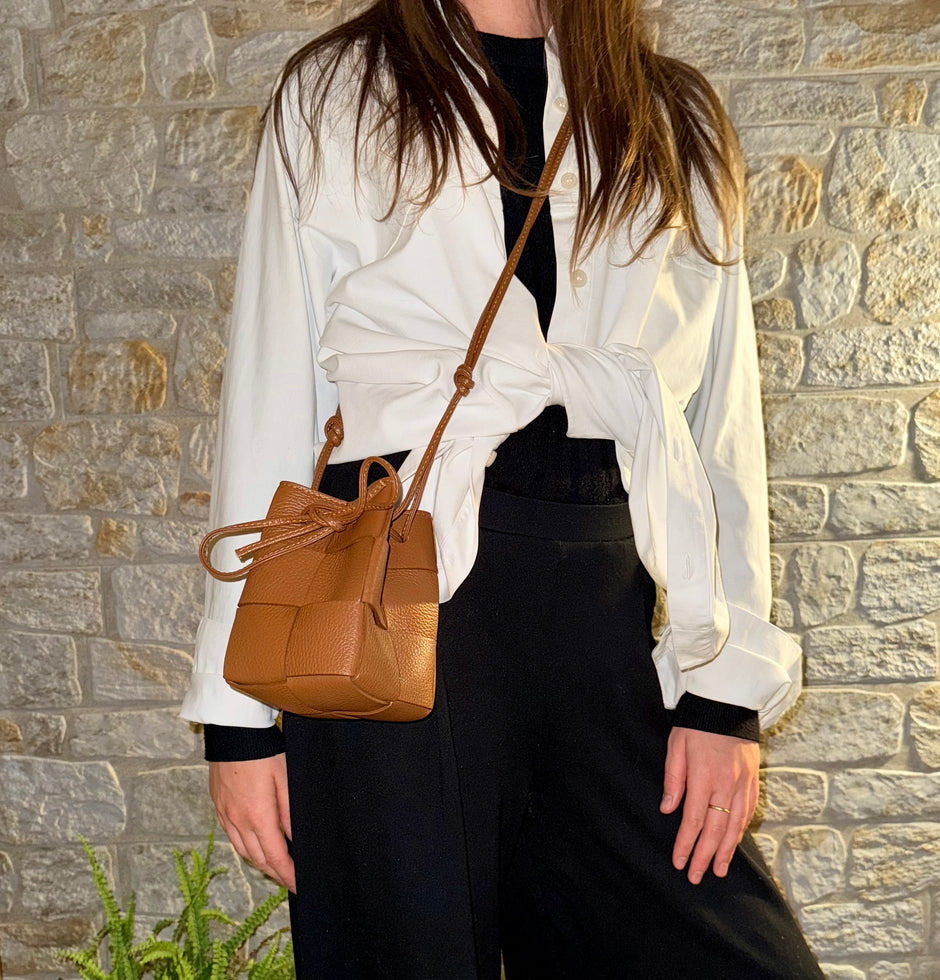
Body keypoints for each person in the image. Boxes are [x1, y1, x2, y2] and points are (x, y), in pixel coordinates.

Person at [180, 0, 824, 976]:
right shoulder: (340, 91)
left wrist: (722, 696)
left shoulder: (672, 115)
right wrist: (237, 717)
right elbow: (274, 391)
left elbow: (716, 425)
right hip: (392, 591)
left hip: (603, 598)